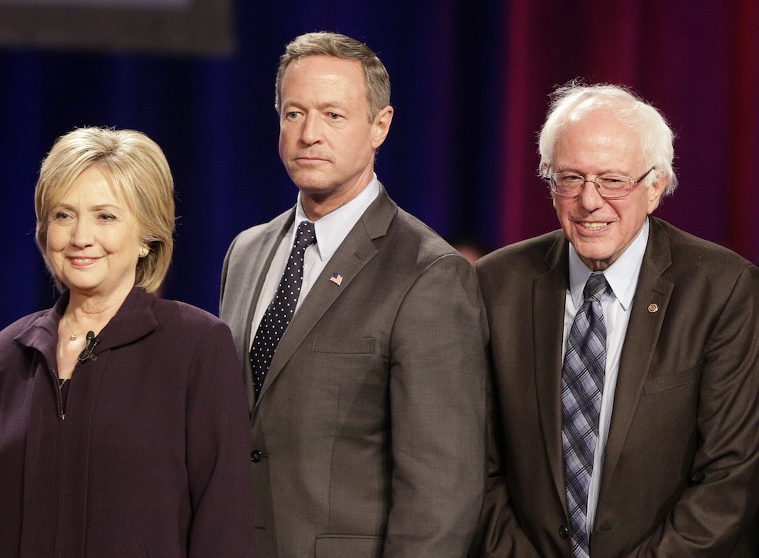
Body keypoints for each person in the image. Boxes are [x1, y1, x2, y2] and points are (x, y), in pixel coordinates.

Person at [219, 31, 488, 557]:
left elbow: (442, 493)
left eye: (333, 115)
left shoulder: (428, 273)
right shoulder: (245, 254)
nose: (309, 134)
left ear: (379, 126)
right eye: (294, 113)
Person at [475, 83, 759, 557]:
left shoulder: (723, 290)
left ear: (655, 187)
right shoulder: (494, 285)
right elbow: (473, 468)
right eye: (570, 178)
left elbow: (731, 478)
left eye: (612, 181)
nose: (589, 201)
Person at [0, 127, 257, 557]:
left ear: (146, 236)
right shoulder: (5, 357)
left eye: (106, 216)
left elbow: (223, 530)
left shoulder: (196, 348)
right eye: (63, 215)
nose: (81, 237)